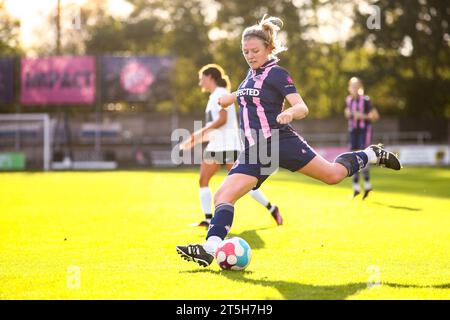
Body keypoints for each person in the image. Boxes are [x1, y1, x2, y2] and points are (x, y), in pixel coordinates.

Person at [176, 15, 401, 267]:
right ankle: (210, 249)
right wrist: (232, 96)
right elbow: (249, 93)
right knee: (223, 196)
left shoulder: (278, 74)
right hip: (255, 151)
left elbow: (302, 106)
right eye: (245, 51)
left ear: (269, 48)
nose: (250, 56)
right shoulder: (248, 77)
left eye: (255, 51)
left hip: (280, 140)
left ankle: (371, 154)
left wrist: (289, 113)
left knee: (333, 175)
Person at [180, 63, 283, 228]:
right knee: (203, 180)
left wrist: (197, 135)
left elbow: (222, 120)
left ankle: (272, 208)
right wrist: (195, 139)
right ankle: (207, 219)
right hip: (215, 146)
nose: (200, 83)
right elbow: (217, 125)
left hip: (228, 146)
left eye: (202, 79)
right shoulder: (214, 96)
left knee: (244, 183)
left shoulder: (220, 94)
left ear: (210, 77)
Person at [345, 77, 380, 199]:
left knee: (363, 157)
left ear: (360, 87)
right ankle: (356, 188)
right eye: (352, 86)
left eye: (356, 86)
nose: (353, 88)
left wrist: (363, 116)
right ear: (349, 88)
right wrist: (348, 113)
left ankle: (367, 185)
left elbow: (375, 116)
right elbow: (348, 113)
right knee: (352, 157)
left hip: (364, 132)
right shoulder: (349, 100)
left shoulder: (366, 100)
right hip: (353, 131)